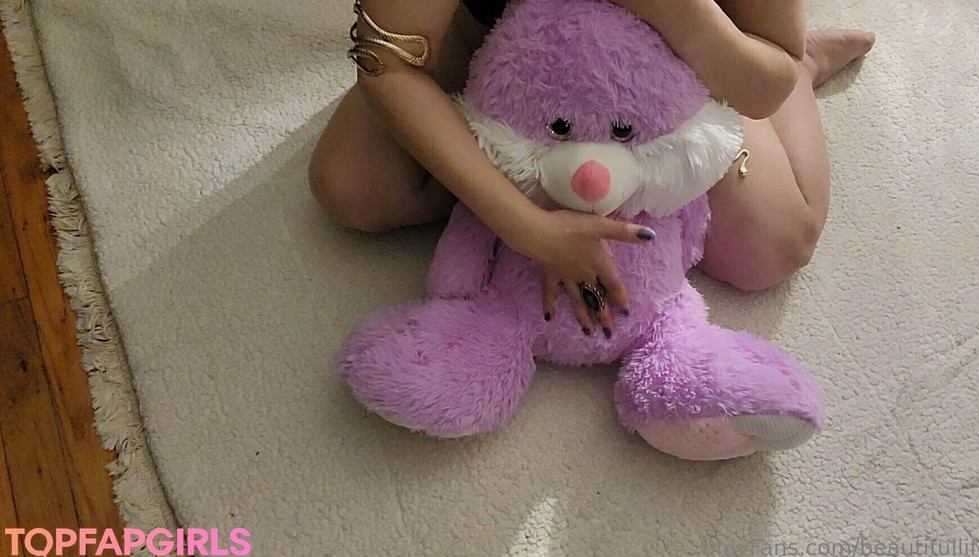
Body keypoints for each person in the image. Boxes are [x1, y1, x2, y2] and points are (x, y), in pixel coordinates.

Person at [308, 0, 874, 334]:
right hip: (495, 37)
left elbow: (764, 78)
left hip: (685, 57)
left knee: (772, 246)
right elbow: (389, 63)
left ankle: (811, 65)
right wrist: (526, 227)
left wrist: (680, 14)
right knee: (353, 184)